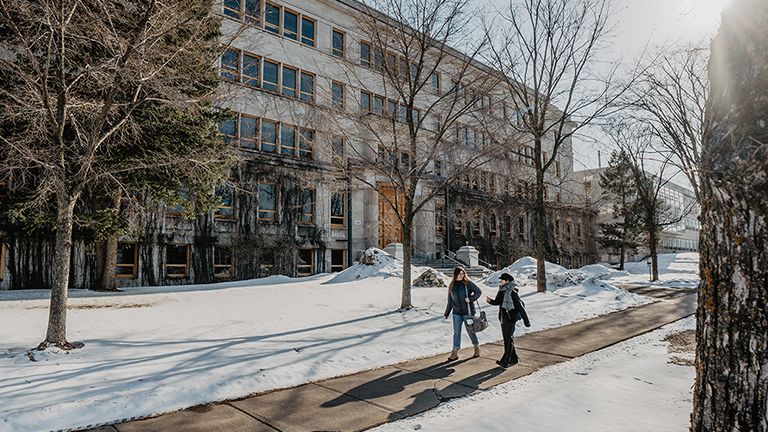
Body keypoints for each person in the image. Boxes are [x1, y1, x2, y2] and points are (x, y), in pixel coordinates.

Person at [486, 272, 530, 368]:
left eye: (502, 280)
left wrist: (527, 322)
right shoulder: (501, 291)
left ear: (507, 281)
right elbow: (498, 302)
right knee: (508, 339)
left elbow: (520, 307)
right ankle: (514, 358)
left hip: (510, 318)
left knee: (508, 339)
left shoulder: (512, 292)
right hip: (503, 318)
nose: (500, 281)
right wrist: (490, 301)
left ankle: (505, 361)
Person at [443, 267, 483, 361]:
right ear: (455, 274)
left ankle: (476, 347)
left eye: (463, 273)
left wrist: (471, 298)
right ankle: (455, 351)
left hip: (468, 312)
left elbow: (478, 291)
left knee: (470, 331)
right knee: (456, 332)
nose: (462, 275)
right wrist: (447, 312)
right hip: (456, 313)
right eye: (460, 274)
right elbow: (450, 300)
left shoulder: (468, 283)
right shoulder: (452, 285)